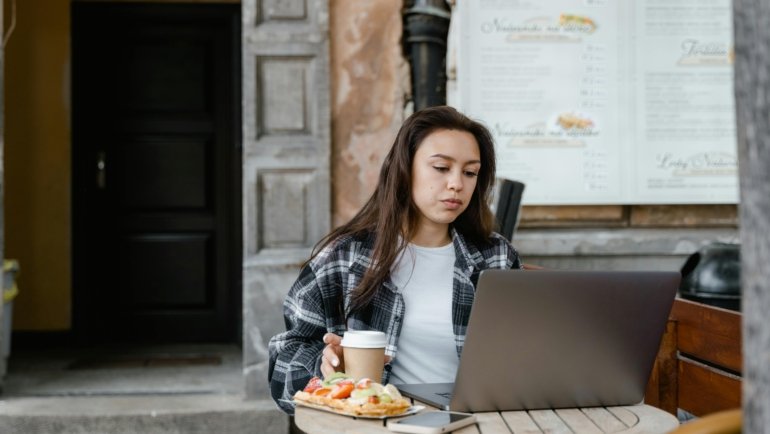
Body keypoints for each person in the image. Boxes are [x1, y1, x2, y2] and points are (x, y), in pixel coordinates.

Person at [268, 105, 523, 414]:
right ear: (405, 169)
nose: (457, 183)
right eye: (441, 168)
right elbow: (283, 363)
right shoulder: (345, 256)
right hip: (380, 425)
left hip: (479, 422)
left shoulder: (495, 257)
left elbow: (522, 360)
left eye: (470, 172)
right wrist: (326, 371)